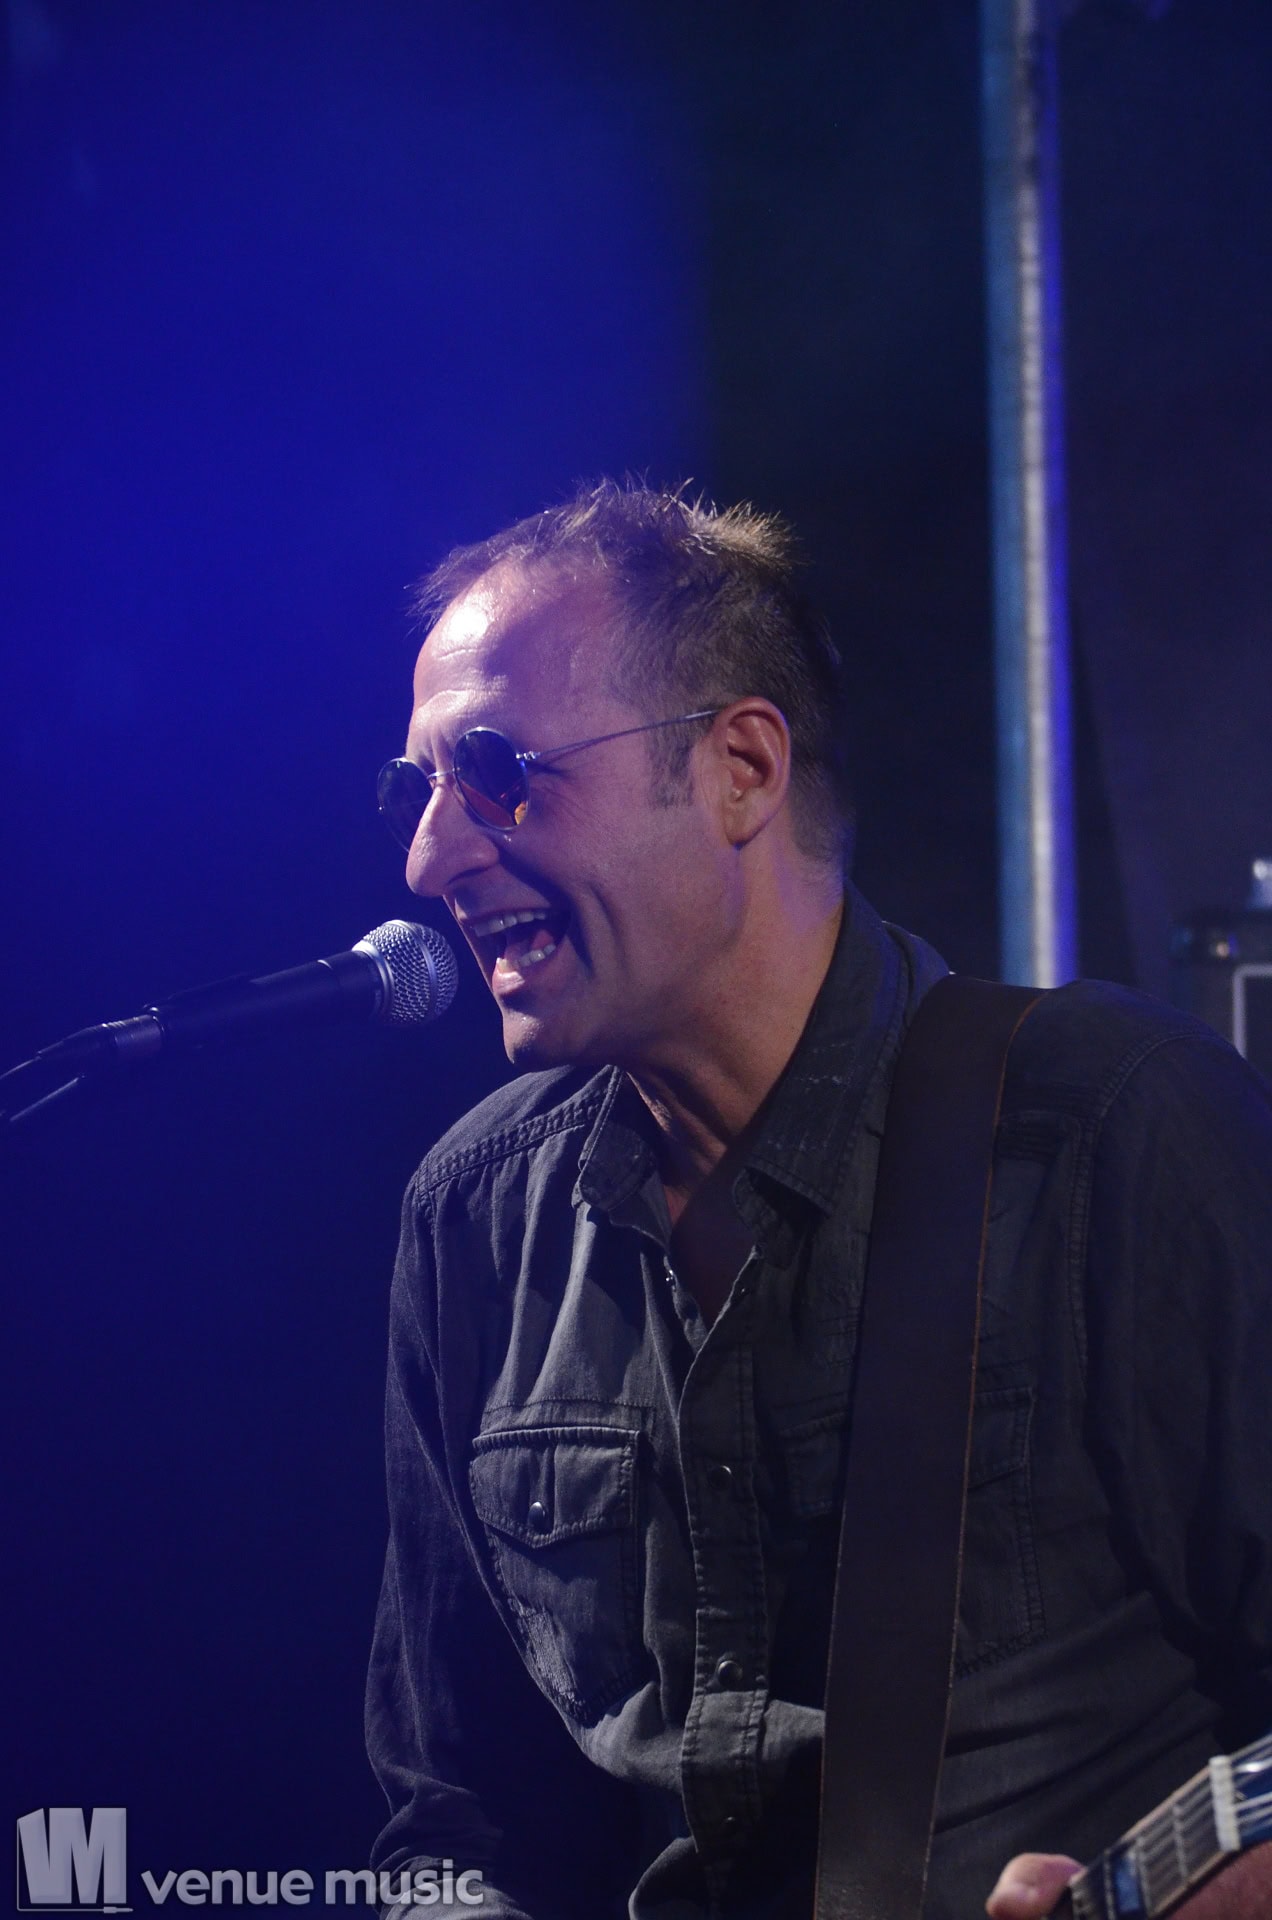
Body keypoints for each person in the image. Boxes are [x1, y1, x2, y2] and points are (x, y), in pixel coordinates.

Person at [365, 480, 1272, 1920]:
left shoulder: (1112, 1127)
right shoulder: (474, 1219)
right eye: (415, 791)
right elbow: (457, 1820)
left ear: (741, 768)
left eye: (495, 771)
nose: (430, 859)